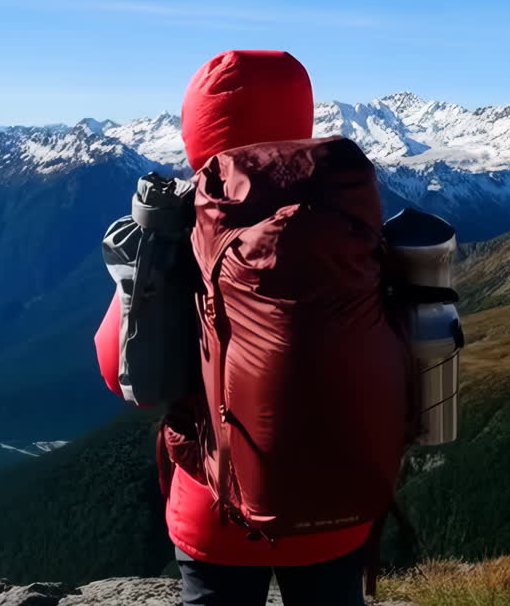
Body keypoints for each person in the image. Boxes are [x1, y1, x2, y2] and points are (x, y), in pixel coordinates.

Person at [94, 50, 373, 606]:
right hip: (336, 506)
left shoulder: (184, 231)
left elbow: (119, 372)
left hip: (214, 510)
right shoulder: (348, 216)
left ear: (197, 124)